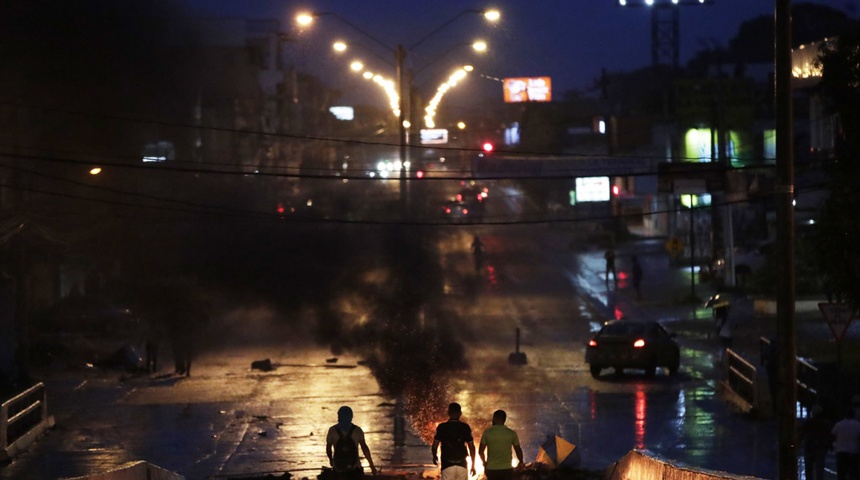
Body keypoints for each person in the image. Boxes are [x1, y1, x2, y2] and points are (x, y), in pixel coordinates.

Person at [326, 406, 377, 480]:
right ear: (351, 417)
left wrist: (331, 460)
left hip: (338, 469)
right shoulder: (357, 430)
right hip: (355, 469)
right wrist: (372, 466)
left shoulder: (332, 430)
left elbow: (328, 448)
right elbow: (364, 448)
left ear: (339, 417)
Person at [432, 403, 477, 480]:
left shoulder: (442, 427)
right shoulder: (465, 427)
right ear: (460, 413)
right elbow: (472, 447)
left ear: (448, 413)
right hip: (462, 465)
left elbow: (434, 446)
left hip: (447, 465)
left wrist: (434, 456)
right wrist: (473, 465)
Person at [479, 410, 524, 480]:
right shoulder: (511, 433)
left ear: (495, 418)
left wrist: (484, 463)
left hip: (491, 469)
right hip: (507, 469)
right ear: (504, 420)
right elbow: (518, 449)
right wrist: (521, 461)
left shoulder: (487, 433)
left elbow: (481, 451)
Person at [800, 405, 832, 480]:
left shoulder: (807, 423)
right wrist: (830, 446)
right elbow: (828, 436)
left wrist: (797, 444)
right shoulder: (825, 423)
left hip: (809, 448)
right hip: (820, 448)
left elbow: (802, 434)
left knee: (808, 469)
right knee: (819, 470)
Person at [832, 408, 860, 480]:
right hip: (854, 451)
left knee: (841, 473)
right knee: (853, 472)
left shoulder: (839, 424)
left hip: (841, 451)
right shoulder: (858, 425)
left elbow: (833, 435)